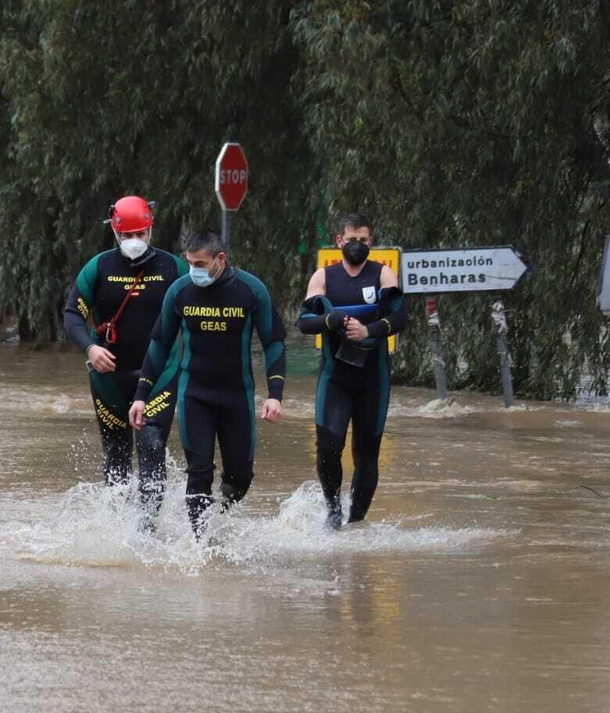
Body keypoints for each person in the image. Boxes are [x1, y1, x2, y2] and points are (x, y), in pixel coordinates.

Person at [129, 231, 286, 533]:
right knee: (199, 472)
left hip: (236, 397)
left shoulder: (251, 290)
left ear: (220, 260)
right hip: (195, 395)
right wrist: (140, 396)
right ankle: (200, 545)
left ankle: (219, 520)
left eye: (200, 263)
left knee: (240, 478)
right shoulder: (180, 291)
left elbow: (274, 344)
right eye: (190, 263)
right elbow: (160, 344)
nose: (194, 270)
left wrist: (275, 394)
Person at [62, 196, 189, 527]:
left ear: (151, 229)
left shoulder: (174, 267)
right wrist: (90, 349)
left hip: (159, 376)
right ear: (115, 234)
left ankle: (146, 531)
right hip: (108, 379)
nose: (134, 242)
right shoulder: (98, 267)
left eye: (141, 234)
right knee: (116, 458)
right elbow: (72, 314)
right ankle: (118, 532)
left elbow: (200, 308)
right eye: (126, 236)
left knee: (150, 445)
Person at [295, 213, 408, 529]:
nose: (358, 245)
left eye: (364, 239)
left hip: (373, 380)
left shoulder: (383, 274)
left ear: (371, 242)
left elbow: (400, 319)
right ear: (339, 241)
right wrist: (329, 321)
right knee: (329, 448)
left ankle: (356, 522)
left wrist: (369, 331)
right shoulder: (324, 277)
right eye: (352, 239)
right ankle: (333, 512)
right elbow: (303, 322)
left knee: (367, 455)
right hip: (335, 379)